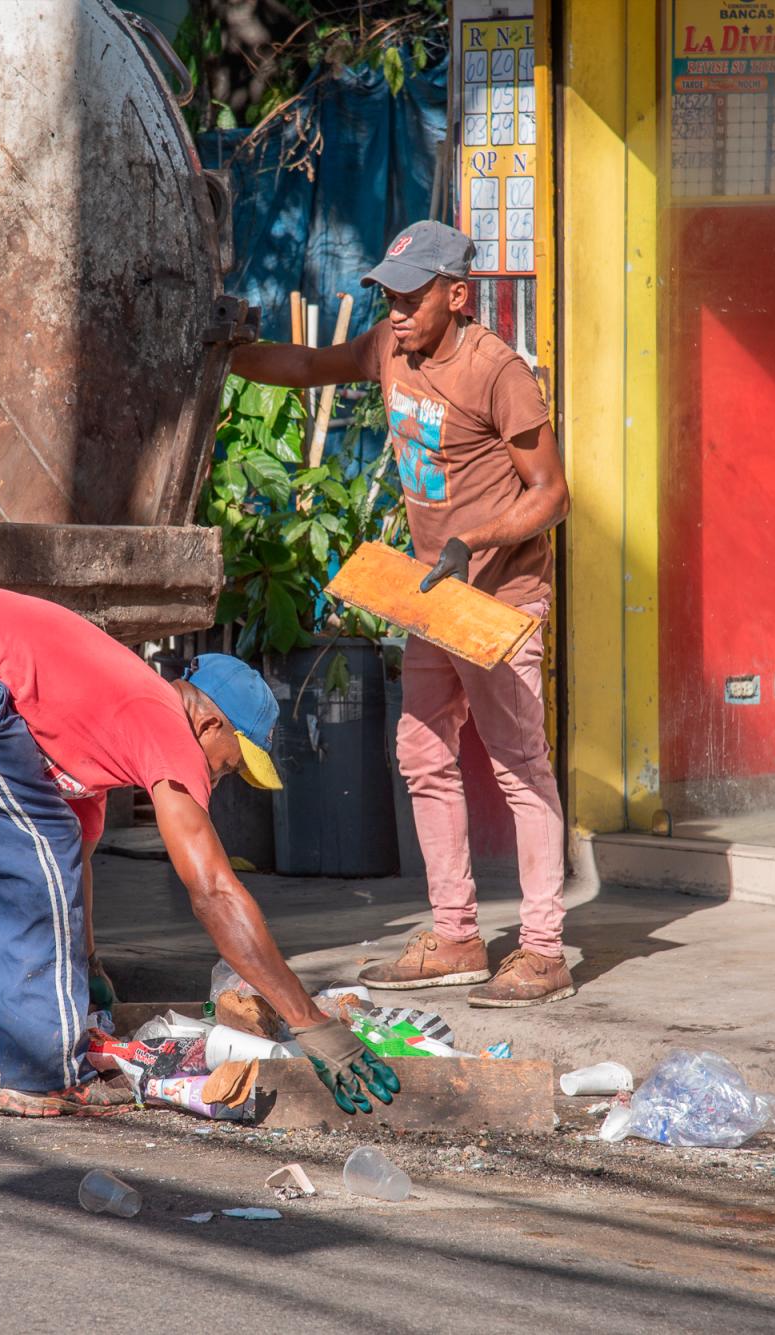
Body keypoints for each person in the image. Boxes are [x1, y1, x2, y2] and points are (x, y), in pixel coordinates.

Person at [0, 586, 397, 1117]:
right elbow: (211, 888)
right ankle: (44, 1075)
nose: (220, 778)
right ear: (210, 726)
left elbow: (74, 853)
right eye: (233, 765)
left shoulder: (98, 731)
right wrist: (309, 1021)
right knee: (20, 866)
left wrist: (89, 967)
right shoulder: (159, 717)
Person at [228, 220, 574, 1007]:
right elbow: (311, 364)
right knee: (421, 751)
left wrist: (471, 541)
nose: (399, 311)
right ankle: (456, 934)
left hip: (496, 599)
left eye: (414, 297)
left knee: (520, 765)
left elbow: (552, 494)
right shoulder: (389, 346)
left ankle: (545, 948)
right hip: (430, 594)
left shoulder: (498, 373)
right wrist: (227, 359)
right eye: (389, 295)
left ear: (459, 295)